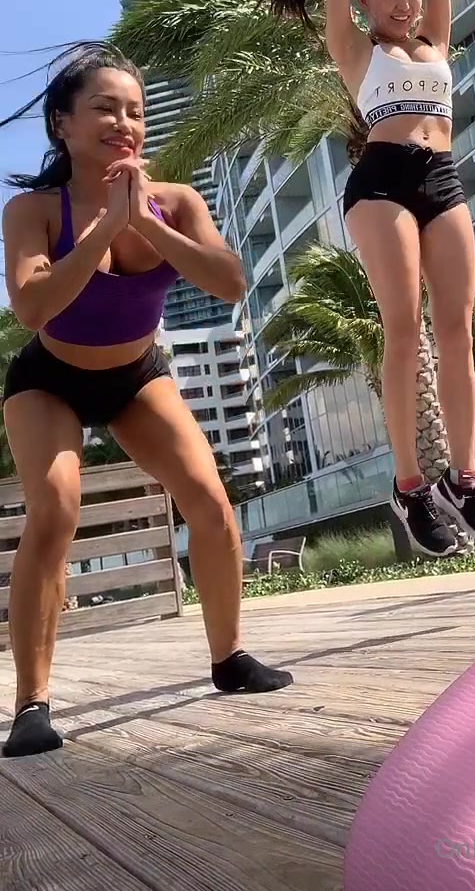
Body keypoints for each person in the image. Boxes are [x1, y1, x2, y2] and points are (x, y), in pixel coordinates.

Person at [0, 49, 292, 759]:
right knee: (56, 508)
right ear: (62, 124)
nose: (124, 123)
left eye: (134, 111)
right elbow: (33, 307)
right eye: (104, 108)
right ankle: (32, 703)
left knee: (210, 500)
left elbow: (229, 282)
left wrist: (145, 221)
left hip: (136, 374)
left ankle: (229, 658)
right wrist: (104, 227)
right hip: (49, 379)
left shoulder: (178, 201)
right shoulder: (32, 211)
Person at [262, 0, 475, 559]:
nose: (406, 0)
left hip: (443, 178)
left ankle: (465, 479)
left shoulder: (435, 43)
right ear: (364, 1)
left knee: (456, 329)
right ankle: (409, 484)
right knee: (404, 327)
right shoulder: (356, 48)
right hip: (381, 184)